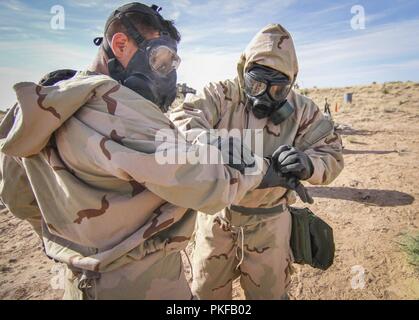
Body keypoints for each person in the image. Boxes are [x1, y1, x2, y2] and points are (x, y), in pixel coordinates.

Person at [0, 3, 290, 300]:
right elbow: (204, 183)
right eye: (160, 60)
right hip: (145, 285)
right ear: (121, 44)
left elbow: (17, 199)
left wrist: (73, 243)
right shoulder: (121, 108)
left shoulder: (40, 107)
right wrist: (261, 170)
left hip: (76, 284)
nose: (165, 75)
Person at [170, 24, 344, 300]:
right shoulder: (221, 96)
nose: (263, 95)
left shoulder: (303, 110)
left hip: (270, 225)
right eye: (256, 84)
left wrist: (308, 164)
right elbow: (179, 124)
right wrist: (221, 148)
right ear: (243, 73)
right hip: (217, 219)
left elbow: (332, 155)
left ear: (291, 84)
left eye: (277, 89)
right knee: (206, 294)